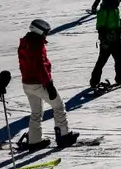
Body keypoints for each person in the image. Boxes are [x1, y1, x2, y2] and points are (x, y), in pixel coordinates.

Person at [18, 19, 78, 150]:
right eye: (46, 32)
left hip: (27, 84)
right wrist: (49, 85)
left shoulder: (25, 43)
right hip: (39, 83)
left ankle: (34, 141)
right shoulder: (36, 44)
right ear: (39, 31)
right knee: (58, 105)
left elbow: (24, 64)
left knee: (36, 112)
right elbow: (40, 66)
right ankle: (64, 135)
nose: (46, 35)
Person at [89, 0, 121, 88]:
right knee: (102, 60)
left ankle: (120, 77)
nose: (119, 2)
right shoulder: (104, 9)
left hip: (116, 38)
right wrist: (104, 38)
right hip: (107, 39)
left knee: (119, 58)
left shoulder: (115, 9)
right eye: (119, 0)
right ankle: (94, 81)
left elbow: (118, 21)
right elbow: (100, 26)